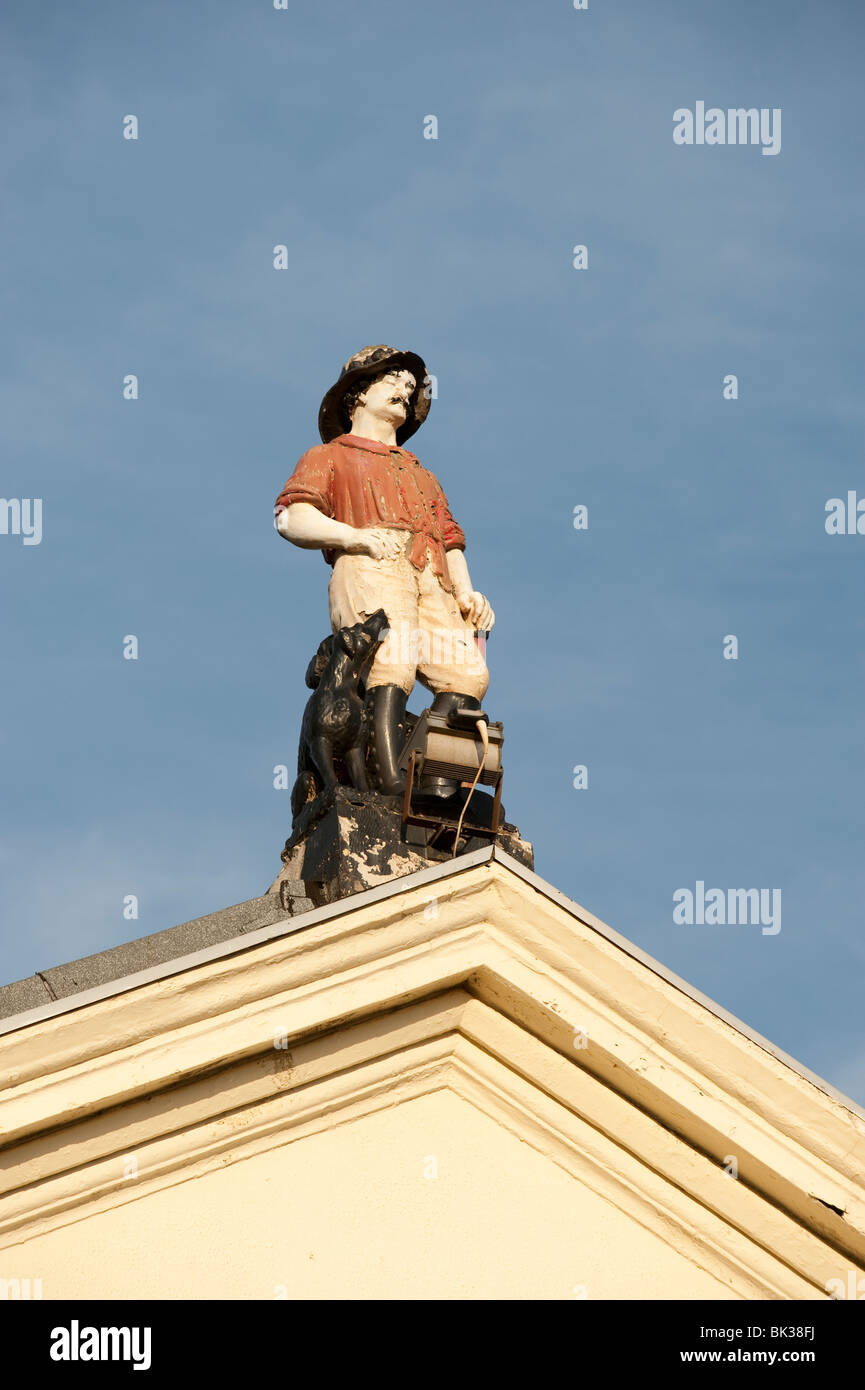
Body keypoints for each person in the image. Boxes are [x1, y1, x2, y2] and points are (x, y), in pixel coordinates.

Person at [275, 344, 495, 794]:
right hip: (374, 557)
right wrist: (352, 537)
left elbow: (449, 537)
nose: (405, 388)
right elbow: (291, 516)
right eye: (392, 380)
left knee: (467, 673)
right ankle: (386, 778)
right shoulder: (329, 456)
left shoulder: (423, 473)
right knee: (389, 658)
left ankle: (439, 780)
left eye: (409, 386)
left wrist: (467, 592)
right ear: (357, 394)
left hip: (431, 570)